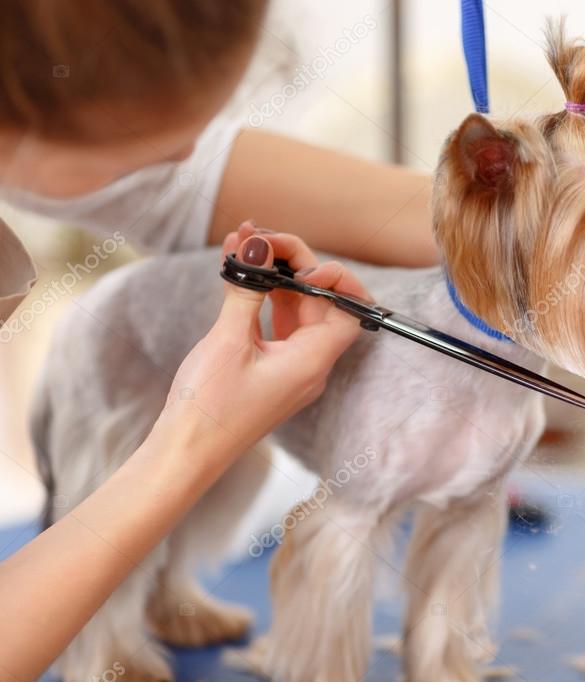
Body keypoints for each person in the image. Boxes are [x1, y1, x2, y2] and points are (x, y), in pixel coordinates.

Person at [0, 2, 438, 678]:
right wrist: (193, 443)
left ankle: (164, 598)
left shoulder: (55, 127)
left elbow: (189, 184)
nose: (185, 151)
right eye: (153, 139)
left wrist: (508, 220)